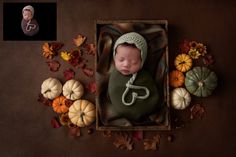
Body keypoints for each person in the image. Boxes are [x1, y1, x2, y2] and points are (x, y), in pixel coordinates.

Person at [107, 32, 160, 124]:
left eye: (134, 62)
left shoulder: (144, 76)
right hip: (120, 112)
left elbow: (151, 91)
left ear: (142, 62)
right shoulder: (114, 76)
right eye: (121, 59)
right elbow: (112, 91)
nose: (126, 65)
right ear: (114, 57)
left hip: (145, 109)